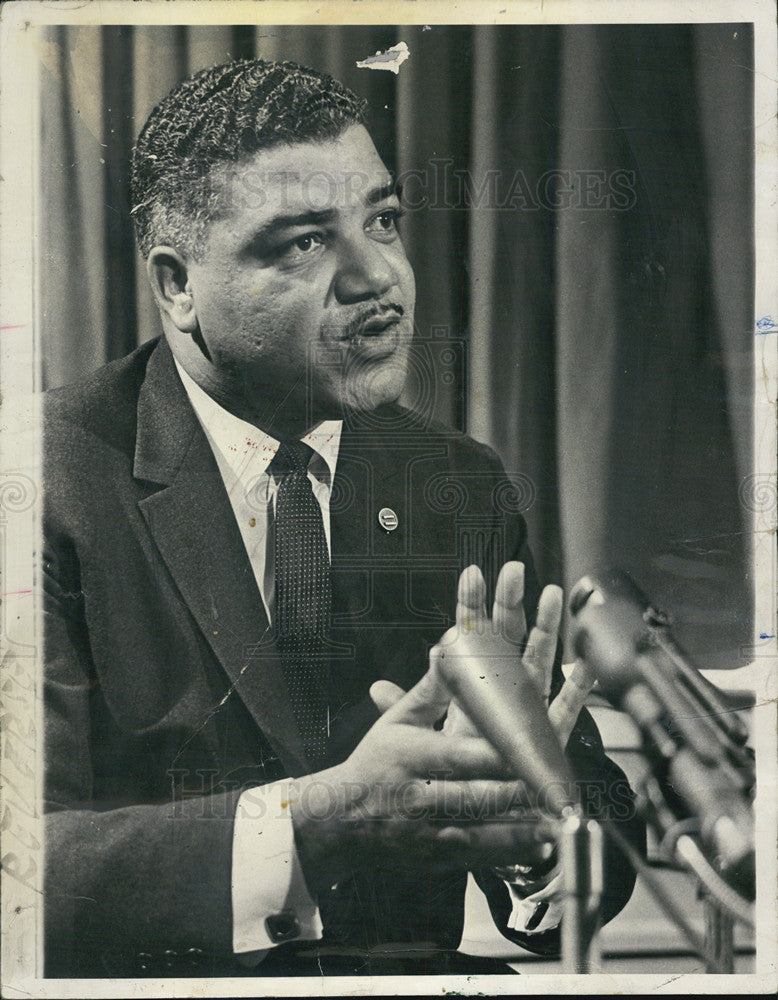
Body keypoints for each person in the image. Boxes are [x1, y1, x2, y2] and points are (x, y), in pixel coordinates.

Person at [42, 57, 644, 978]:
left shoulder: (459, 483)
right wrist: (319, 827)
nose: (379, 277)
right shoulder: (42, 480)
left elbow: (582, 805)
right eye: (303, 244)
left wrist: (532, 836)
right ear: (178, 286)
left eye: (385, 222)